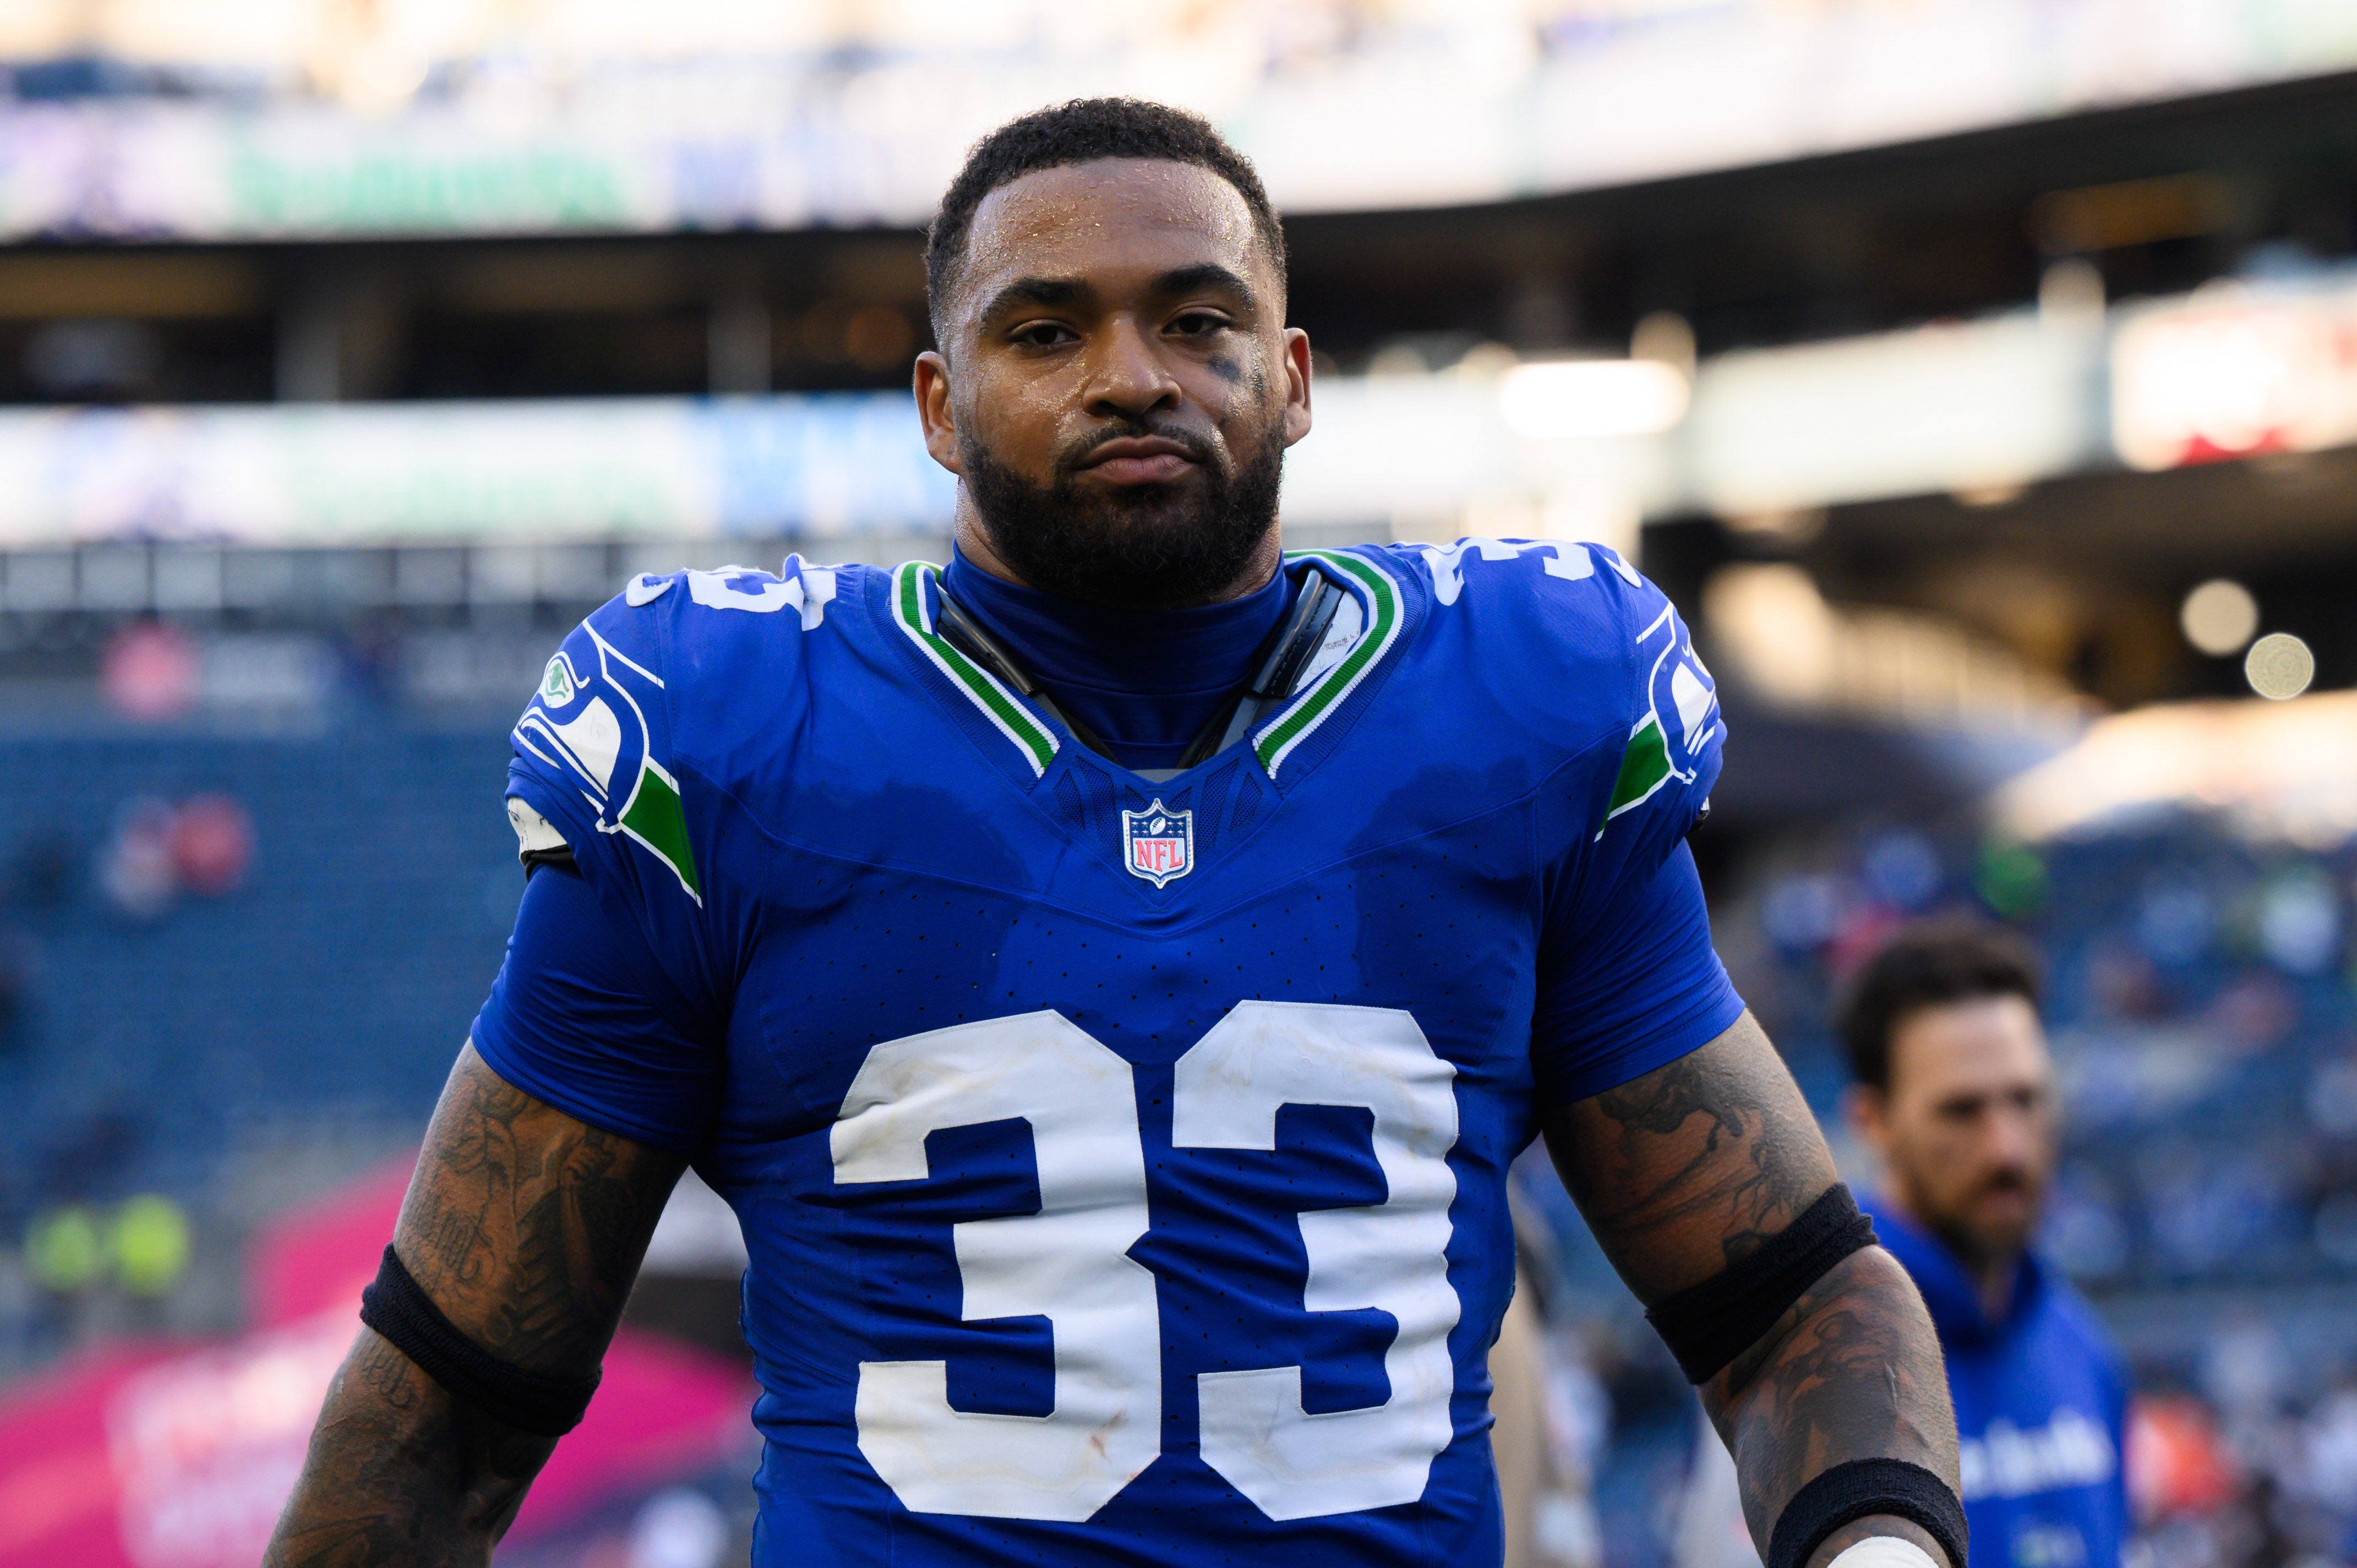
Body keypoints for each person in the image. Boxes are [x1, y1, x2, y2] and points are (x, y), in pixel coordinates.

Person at [267, 99, 1966, 1568]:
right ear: (938, 405)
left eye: (1196, 320)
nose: (1131, 377)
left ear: (1289, 379)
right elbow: (445, 1403)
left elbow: (1787, 1298)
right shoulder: (731, 746)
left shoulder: (1511, 721)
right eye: (1043, 331)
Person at [1841, 921, 2129, 1568]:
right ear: (1873, 1120)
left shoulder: (2085, 1351)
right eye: (1961, 1109)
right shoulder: (1809, 1368)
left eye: (2025, 1099)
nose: (2005, 1147)